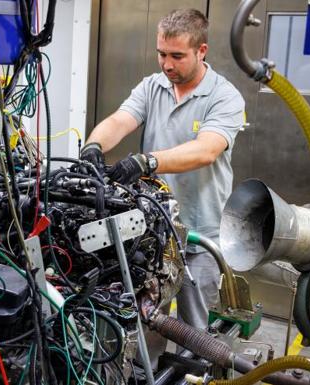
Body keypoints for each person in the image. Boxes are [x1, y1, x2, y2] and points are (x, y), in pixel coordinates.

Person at [80, 8, 245, 329]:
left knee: (193, 332)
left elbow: (207, 150)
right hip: (152, 232)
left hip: (200, 235)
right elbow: (119, 120)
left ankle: (190, 376)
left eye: (177, 56)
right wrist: (94, 145)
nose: (167, 64)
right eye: (161, 54)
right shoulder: (152, 86)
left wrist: (147, 161)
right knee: (145, 322)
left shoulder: (225, 97)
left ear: (201, 51)